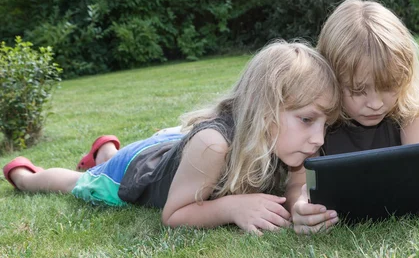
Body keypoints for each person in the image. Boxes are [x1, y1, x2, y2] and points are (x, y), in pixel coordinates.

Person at [2, 41, 341, 234]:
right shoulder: (213, 145)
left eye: (325, 123)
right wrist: (232, 206)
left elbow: (297, 182)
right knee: (83, 182)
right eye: (307, 119)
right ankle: (26, 176)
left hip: (173, 151)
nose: (318, 137)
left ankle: (105, 149)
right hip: (140, 171)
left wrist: (299, 204)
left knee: (116, 160)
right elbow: (175, 215)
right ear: (265, 110)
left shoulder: (293, 144)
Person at [286, 0, 419, 234]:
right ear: (330, 77)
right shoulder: (318, 116)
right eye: (357, 90)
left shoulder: (408, 105)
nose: (375, 104)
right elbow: (297, 184)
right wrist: (299, 209)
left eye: (389, 86)